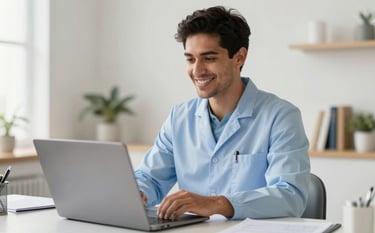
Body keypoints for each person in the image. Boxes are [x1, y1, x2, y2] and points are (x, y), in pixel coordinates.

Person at [134, 5, 310, 220]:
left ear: (239, 58)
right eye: (190, 59)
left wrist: (217, 204)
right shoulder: (179, 117)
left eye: (209, 58)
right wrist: (138, 193)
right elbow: (150, 178)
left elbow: (290, 195)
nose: (197, 71)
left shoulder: (280, 116)